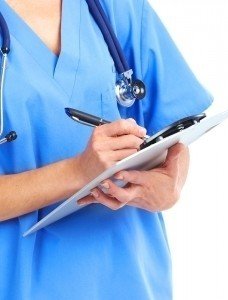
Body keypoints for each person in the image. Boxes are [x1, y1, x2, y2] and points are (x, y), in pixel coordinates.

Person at [0, 0, 213, 299]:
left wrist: (171, 184)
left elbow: (175, 130)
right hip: (21, 284)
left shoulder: (115, 6)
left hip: (130, 278)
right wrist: (78, 171)